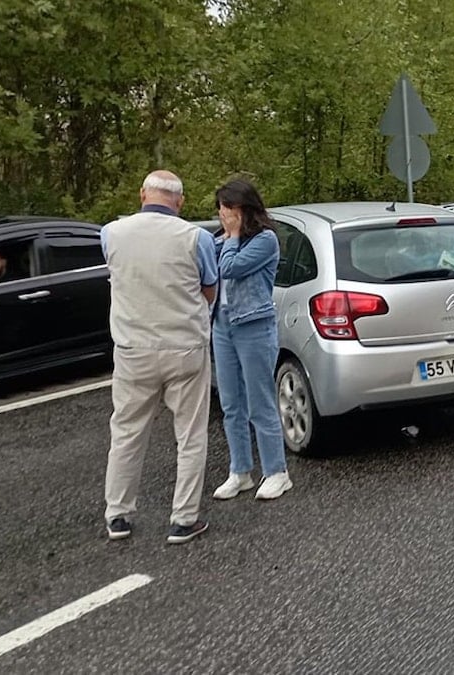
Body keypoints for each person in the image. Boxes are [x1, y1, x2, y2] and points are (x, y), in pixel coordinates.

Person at [101, 170, 218, 544]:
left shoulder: (111, 233)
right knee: (190, 434)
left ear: (142, 195)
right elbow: (209, 289)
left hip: (133, 348)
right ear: (180, 202)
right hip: (184, 346)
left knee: (127, 432)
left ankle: (118, 515)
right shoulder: (196, 238)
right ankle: (184, 518)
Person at [209, 179, 291, 501]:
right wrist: (225, 238)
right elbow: (204, 261)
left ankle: (276, 472)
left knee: (260, 402)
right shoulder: (222, 240)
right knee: (231, 404)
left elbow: (230, 268)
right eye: (220, 209)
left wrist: (230, 237)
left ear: (244, 209)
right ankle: (240, 471)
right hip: (223, 324)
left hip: (254, 326)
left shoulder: (265, 240)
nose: (222, 215)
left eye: (228, 208)